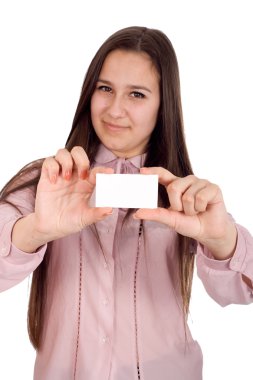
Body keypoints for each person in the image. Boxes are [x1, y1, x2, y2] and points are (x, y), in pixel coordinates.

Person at [0, 26, 252, 380]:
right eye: (105, 89)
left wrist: (225, 242)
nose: (115, 109)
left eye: (136, 94)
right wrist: (37, 230)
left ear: (164, 104)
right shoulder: (49, 182)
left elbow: (240, 291)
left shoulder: (185, 195)